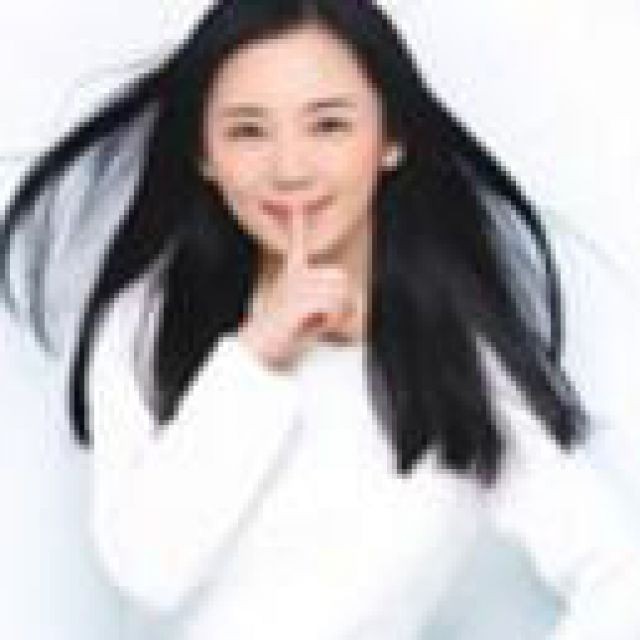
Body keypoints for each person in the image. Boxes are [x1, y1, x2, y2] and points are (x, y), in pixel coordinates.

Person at [1, 0, 639, 637]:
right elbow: (149, 568)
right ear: (203, 153)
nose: (290, 168)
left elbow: (618, 574)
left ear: (391, 138)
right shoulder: (148, 324)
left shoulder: (451, 356)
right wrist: (257, 355)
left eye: (328, 125)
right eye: (248, 131)